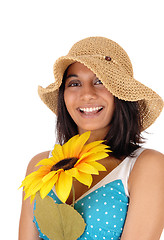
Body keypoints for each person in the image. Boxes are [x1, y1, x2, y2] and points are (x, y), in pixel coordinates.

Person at [19, 37, 164, 240]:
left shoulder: (146, 165)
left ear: (121, 94)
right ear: (64, 97)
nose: (87, 94)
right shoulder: (39, 167)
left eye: (100, 81)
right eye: (74, 83)